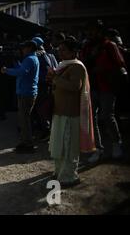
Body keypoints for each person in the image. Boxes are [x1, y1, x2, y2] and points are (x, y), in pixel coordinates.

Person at [46, 39, 95, 187]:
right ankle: (59, 173)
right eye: (59, 49)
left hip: (70, 114)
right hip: (60, 112)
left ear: (73, 52)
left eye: (64, 50)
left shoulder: (77, 67)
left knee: (68, 147)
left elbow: (75, 86)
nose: (60, 52)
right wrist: (53, 78)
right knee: (59, 146)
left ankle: (69, 177)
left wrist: (55, 78)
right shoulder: (63, 66)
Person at [81, 20, 127, 162]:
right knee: (91, 119)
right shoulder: (86, 47)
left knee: (107, 116)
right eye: (88, 30)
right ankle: (98, 149)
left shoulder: (110, 46)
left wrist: (104, 69)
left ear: (100, 31)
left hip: (107, 86)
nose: (90, 33)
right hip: (92, 87)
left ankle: (116, 144)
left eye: (93, 29)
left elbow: (120, 65)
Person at [1, 40, 40, 153]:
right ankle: (25, 142)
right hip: (27, 92)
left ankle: (28, 144)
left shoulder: (29, 59)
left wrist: (6, 70)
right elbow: (22, 70)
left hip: (26, 93)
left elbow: (21, 72)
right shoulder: (32, 58)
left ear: (29, 48)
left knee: (24, 120)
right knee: (24, 119)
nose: (22, 50)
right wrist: (16, 63)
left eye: (24, 48)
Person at [32, 36, 58, 141]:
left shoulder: (40, 56)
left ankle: (46, 131)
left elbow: (47, 71)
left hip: (43, 86)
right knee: (46, 109)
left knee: (41, 108)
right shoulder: (50, 55)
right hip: (50, 85)